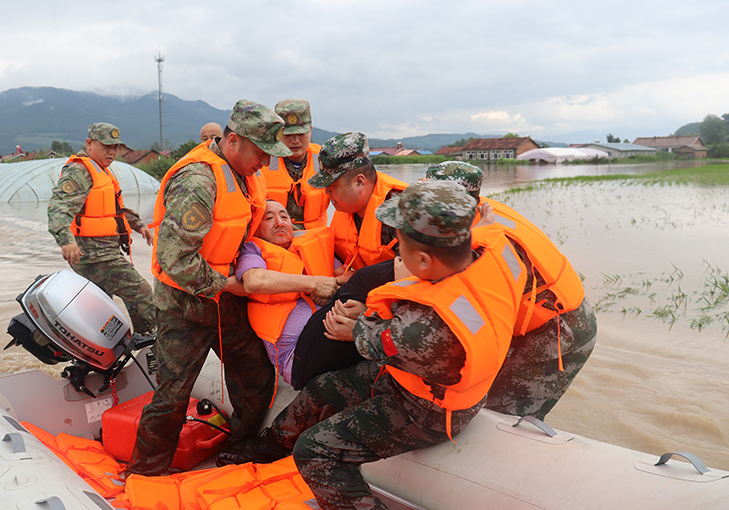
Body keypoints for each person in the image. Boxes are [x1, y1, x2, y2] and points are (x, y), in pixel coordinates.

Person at [218, 181, 528, 510]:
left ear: (423, 260)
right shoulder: (489, 249)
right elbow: (484, 231)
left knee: (313, 450)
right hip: (415, 375)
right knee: (324, 387)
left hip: (429, 408)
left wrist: (356, 324)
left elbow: (373, 337)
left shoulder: (419, 331)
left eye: (401, 248)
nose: (395, 255)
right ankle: (264, 449)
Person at [126, 100, 292, 476]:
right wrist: (229, 285)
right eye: (261, 153)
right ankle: (143, 476)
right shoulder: (198, 182)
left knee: (256, 377)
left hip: (226, 305)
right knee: (170, 399)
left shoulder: (248, 175)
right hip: (183, 308)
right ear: (233, 141)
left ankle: (237, 448)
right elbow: (175, 259)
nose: (265, 163)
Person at [426, 161, 597, 420]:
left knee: (500, 417)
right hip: (550, 316)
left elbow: (473, 315)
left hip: (557, 331)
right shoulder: (478, 215)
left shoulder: (483, 243)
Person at [237, 200, 405, 390]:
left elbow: (346, 277)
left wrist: (338, 295)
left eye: (284, 216)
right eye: (269, 218)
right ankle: (421, 263)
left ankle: (422, 298)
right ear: (256, 227)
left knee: (363, 290)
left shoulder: (308, 246)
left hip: (329, 330)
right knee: (364, 278)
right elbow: (254, 281)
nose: (279, 222)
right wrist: (314, 284)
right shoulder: (253, 249)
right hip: (300, 356)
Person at [47, 122, 155, 336]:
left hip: (105, 253)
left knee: (102, 308)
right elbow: (59, 206)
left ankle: (104, 356)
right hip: (95, 256)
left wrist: (138, 224)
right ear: (89, 144)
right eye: (106, 146)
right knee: (141, 293)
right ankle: (147, 342)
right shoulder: (79, 171)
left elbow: (114, 209)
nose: (112, 152)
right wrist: (66, 241)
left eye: (115, 147)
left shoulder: (101, 171)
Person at [307, 132, 408, 272]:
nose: (326, 193)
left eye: (332, 186)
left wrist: (357, 281)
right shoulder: (346, 207)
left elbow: (412, 270)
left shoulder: (400, 209)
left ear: (359, 182)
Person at [263, 99, 329, 229]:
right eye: (288, 135)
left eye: (300, 134)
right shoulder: (261, 162)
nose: (295, 141)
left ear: (310, 130)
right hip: (275, 240)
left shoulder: (327, 161)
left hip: (314, 239)